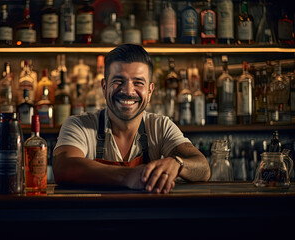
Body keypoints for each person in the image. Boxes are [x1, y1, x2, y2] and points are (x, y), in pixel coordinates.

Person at [52, 44, 210, 194]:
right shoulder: (79, 125)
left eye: (138, 82)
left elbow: (203, 168)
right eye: (118, 81)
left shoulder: (160, 126)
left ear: (150, 91)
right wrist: (129, 176)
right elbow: (63, 166)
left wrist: (177, 163)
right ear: (104, 86)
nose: (128, 91)